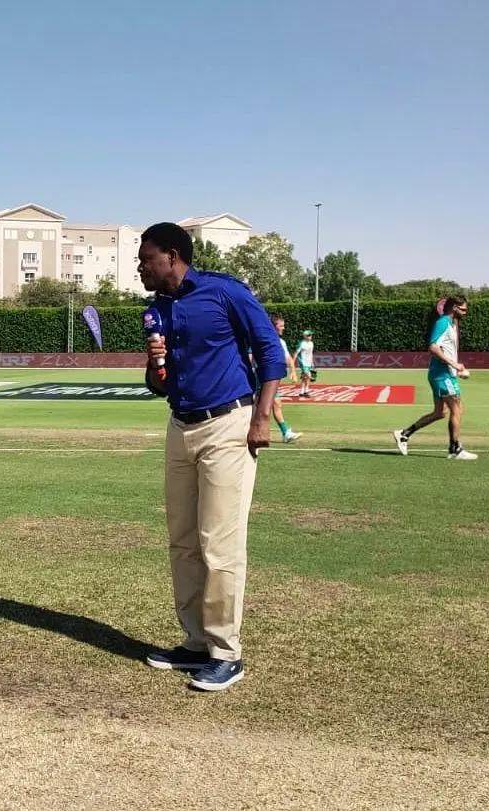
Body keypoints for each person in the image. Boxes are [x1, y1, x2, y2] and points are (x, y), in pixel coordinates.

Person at [138, 222, 283, 692]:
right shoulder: (157, 310)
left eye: (147, 258)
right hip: (180, 426)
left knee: (219, 544)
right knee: (182, 540)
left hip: (228, 425)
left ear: (173, 256)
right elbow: (157, 384)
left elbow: (269, 352)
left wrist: (262, 419)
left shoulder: (224, 292)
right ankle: (196, 642)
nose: (141, 266)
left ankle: (226, 652)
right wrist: (154, 363)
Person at [392, 295, 476, 460]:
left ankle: (404, 434)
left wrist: (457, 367)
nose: (466, 312)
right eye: (463, 309)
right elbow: (433, 347)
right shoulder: (443, 323)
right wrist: (453, 364)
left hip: (443, 374)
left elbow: (445, 349)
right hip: (442, 374)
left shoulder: (451, 324)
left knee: (440, 412)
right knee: (457, 409)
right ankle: (454, 449)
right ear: (454, 308)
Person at [268, 316, 301, 442]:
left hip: (272, 378)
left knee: (276, 403)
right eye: (281, 326)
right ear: (274, 327)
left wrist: (293, 371)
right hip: (261, 377)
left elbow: (288, 358)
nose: (283, 328)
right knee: (260, 406)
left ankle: (285, 433)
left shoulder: (281, 342)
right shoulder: (264, 339)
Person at [294, 329, 316, 397]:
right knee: (309, 375)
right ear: (305, 336)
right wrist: (293, 362)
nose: (310, 336)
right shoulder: (301, 343)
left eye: (311, 335)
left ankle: (301, 391)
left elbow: (311, 353)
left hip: (309, 363)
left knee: (305, 377)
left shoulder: (311, 343)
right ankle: (306, 391)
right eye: (309, 335)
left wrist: (312, 363)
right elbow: (296, 353)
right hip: (303, 362)